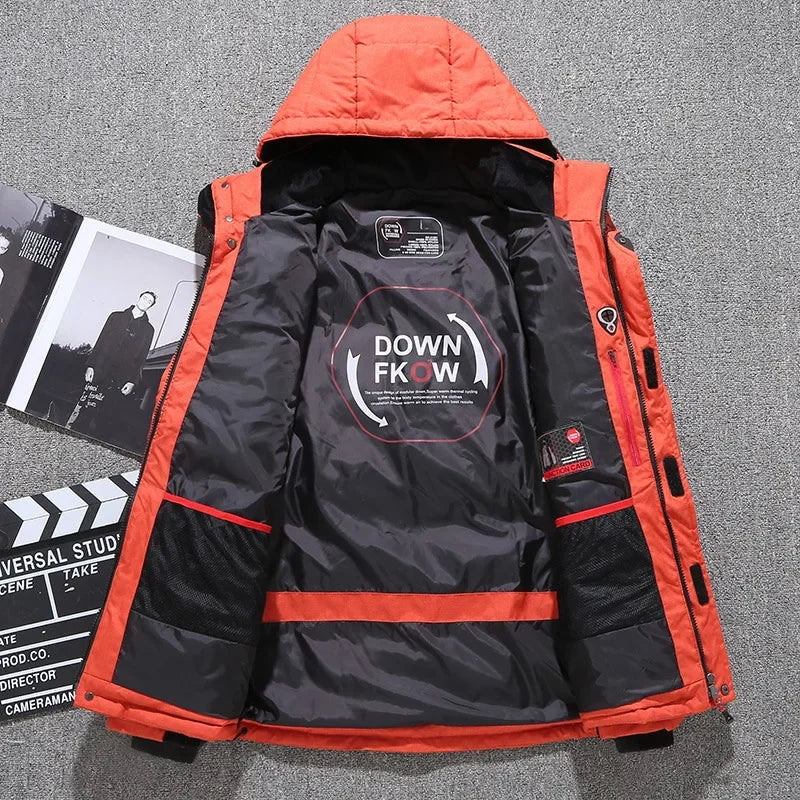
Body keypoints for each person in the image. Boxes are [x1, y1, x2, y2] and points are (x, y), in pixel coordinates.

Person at [66, 291, 157, 438]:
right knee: (87, 407)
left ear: (150, 307)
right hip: (100, 369)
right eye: (144, 298)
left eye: (149, 302)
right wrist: (91, 366)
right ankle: (73, 436)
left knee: (106, 415)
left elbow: (141, 358)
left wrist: (133, 381)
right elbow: (101, 341)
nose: (145, 302)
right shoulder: (116, 317)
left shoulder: (148, 330)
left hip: (122, 377)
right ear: (138, 298)